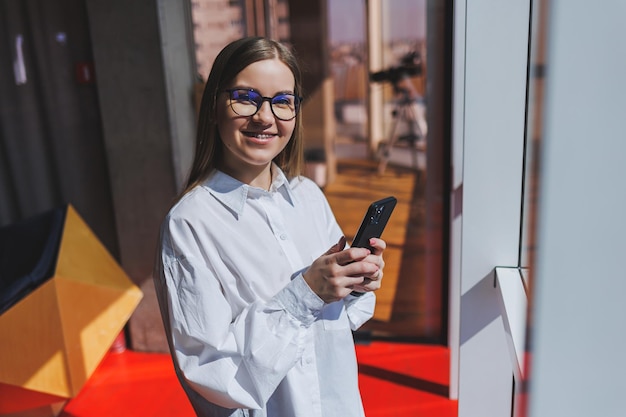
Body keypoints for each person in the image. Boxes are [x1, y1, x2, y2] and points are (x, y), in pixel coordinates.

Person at [154, 36, 387, 417]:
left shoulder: (308, 196)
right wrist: (306, 294)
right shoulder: (188, 225)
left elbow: (338, 323)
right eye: (246, 97)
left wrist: (353, 285)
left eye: (282, 102)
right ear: (214, 106)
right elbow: (212, 372)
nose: (265, 117)